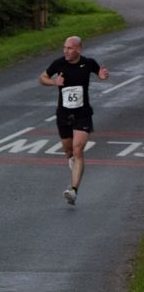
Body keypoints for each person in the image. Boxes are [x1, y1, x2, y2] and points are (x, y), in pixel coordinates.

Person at [39, 35, 109, 205]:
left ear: (78, 49)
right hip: (63, 115)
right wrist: (54, 81)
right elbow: (42, 78)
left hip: (82, 114)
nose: (66, 51)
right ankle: (73, 162)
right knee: (68, 151)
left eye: (69, 48)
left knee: (78, 150)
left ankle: (73, 190)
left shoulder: (88, 63)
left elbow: (100, 73)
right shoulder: (58, 64)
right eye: (65, 47)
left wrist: (102, 76)